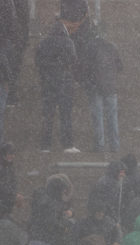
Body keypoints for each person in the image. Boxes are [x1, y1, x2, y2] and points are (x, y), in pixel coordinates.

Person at [35, 18, 78, 153]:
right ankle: (67, 145)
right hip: (64, 83)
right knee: (65, 115)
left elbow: (37, 61)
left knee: (48, 115)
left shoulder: (43, 43)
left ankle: (45, 145)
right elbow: (73, 59)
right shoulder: (68, 42)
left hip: (48, 83)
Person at [81, 35, 122, 153]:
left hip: (95, 87)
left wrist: (87, 81)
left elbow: (85, 67)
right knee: (112, 117)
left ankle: (99, 145)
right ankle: (115, 145)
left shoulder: (90, 47)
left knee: (97, 117)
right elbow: (120, 66)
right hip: (110, 87)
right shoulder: (112, 47)